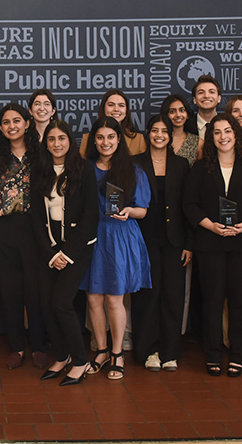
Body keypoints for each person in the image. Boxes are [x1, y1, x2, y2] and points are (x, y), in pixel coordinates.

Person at [184, 114, 242, 378]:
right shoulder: (200, 168)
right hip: (210, 243)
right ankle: (212, 354)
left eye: (227, 132)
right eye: (217, 133)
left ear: (236, 135)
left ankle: (236, 355)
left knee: (239, 300)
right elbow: (189, 205)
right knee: (211, 300)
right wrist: (210, 225)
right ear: (211, 137)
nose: (223, 137)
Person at [0, 104, 50, 369]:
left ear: (27, 123)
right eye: (6, 122)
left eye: (17, 121)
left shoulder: (41, 154)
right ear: (0, 128)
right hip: (5, 229)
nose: (12, 126)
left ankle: (39, 346)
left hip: (35, 229)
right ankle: (17, 347)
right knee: (10, 290)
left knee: (35, 290)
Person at [81, 117, 151, 380]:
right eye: (100, 137)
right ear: (93, 141)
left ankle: (117, 353)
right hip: (91, 236)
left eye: (111, 137)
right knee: (93, 298)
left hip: (121, 236)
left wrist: (129, 211)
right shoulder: (84, 168)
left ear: (119, 140)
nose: (105, 142)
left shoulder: (132, 170)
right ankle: (100, 350)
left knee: (114, 298)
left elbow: (143, 211)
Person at [31, 120, 99, 385]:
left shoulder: (84, 170)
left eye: (61, 138)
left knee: (61, 303)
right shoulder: (40, 170)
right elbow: (36, 219)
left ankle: (80, 360)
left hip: (77, 247)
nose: (56, 144)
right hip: (49, 248)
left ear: (70, 141)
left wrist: (66, 253)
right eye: (51, 139)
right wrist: (51, 252)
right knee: (47, 305)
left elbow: (90, 217)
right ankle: (61, 356)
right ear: (45, 143)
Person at [130, 115, 191, 372]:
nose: (159, 135)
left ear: (170, 135)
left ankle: (170, 352)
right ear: (147, 133)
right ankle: (147, 350)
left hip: (175, 241)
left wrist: (189, 243)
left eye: (164, 131)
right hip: (145, 239)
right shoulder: (136, 163)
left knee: (173, 296)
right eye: (154, 130)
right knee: (147, 296)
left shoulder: (182, 164)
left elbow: (188, 206)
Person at [80, 90, 146, 156]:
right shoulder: (87, 138)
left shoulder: (138, 139)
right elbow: (82, 165)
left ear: (126, 111)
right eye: (111, 105)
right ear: (103, 108)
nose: (116, 109)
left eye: (121, 105)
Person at [162, 94, 202, 165]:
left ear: (187, 115)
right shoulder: (159, 139)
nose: (178, 115)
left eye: (182, 110)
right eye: (172, 112)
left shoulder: (197, 142)